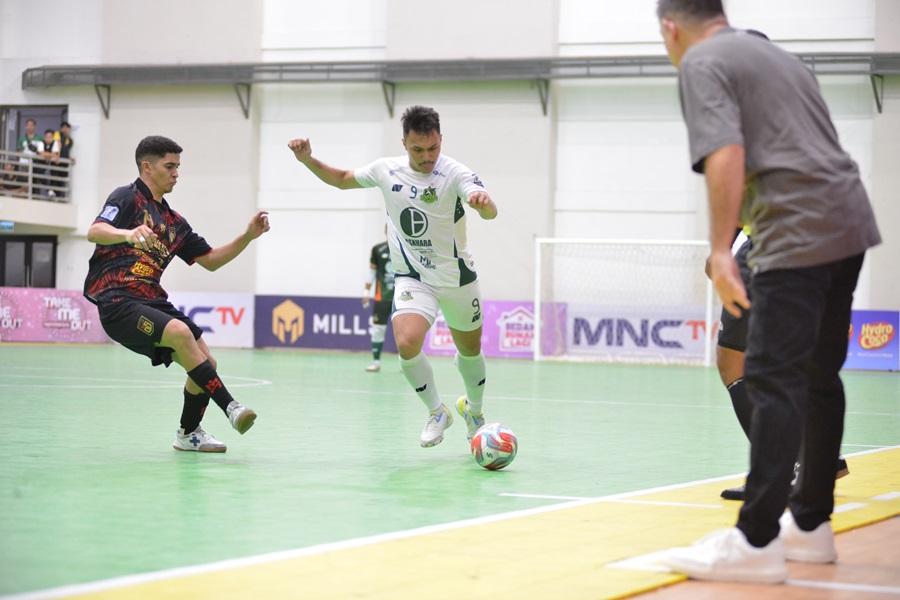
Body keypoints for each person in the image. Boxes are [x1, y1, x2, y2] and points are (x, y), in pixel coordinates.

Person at [657, 0, 881, 583]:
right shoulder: (778, 57)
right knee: (817, 377)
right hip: (848, 221)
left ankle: (756, 539)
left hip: (793, 229)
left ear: (671, 29)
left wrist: (718, 249)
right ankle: (810, 527)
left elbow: (725, 154)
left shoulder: (703, 62)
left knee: (773, 376)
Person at [288, 105, 498, 448]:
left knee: (470, 350)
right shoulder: (386, 170)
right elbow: (341, 180)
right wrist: (308, 160)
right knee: (407, 341)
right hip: (413, 276)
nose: (427, 156)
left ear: (440, 140)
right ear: (405, 143)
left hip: (457, 277)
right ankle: (437, 412)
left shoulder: (457, 174)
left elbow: (490, 211)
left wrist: (482, 202)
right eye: (418, 150)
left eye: (433, 148)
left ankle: (473, 410)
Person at [83, 135, 270, 452]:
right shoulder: (126, 198)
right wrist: (128, 234)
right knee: (181, 333)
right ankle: (231, 407)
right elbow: (94, 231)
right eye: (169, 166)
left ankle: (188, 433)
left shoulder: (173, 223)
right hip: (118, 302)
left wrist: (248, 236)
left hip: (151, 299)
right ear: (147, 167)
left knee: (206, 360)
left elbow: (211, 261)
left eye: (178, 167)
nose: (176, 173)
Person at [714, 231, 849, 501]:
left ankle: (784, 469)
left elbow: (745, 192)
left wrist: (721, 250)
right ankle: (818, 459)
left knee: (733, 362)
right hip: (815, 249)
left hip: (767, 248)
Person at [362, 227, 395, 373]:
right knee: (378, 329)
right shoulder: (377, 249)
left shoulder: (407, 251)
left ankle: (405, 363)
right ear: (386, 231)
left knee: (404, 331)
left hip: (402, 299)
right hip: (382, 297)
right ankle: (376, 361)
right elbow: (372, 272)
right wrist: (366, 291)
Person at [36, 129, 61, 198]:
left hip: (51, 164)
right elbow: (41, 153)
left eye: (50, 137)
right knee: (39, 174)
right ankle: (50, 190)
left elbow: (55, 154)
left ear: (52, 138)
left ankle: (55, 194)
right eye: (47, 137)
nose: (48, 139)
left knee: (55, 174)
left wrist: (47, 155)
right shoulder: (41, 143)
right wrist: (51, 155)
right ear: (44, 137)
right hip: (42, 163)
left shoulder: (55, 143)